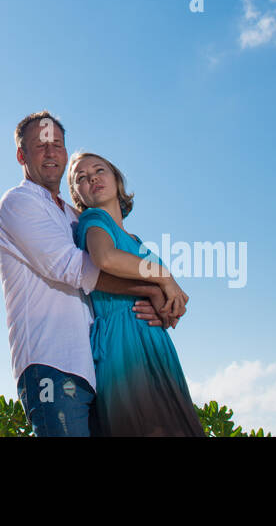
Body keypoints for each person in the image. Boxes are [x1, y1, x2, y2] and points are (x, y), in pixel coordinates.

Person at [0, 111, 174, 437]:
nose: (51, 153)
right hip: (50, 365)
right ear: (21, 155)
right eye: (40, 146)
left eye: (58, 145)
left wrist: (163, 303)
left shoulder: (75, 216)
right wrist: (152, 286)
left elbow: (117, 265)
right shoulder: (18, 203)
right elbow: (72, 268)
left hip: (95, 369)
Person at [69, 150, 204, 436]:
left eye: (99, 170)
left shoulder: (137, 242)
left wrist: (169, 310)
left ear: (117, 180)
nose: (92, 178)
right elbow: (105, 258)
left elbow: (170, 304)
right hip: (123, 343)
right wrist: (164, 276)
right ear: (77, 195)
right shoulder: (93, 220)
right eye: (81, 177)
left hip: (155, 344)